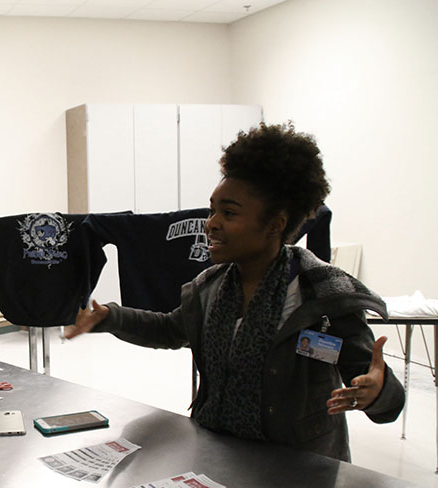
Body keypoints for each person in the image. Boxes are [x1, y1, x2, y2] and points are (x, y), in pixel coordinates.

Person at [66, 122, 404, 462]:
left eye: (228, 213)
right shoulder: (210, 287)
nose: (211, 223)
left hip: (299, 470)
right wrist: (111, 317)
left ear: (276, 224)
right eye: (212, 210)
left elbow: (378, 390)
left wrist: (377, 392)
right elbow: (171, 329)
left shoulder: (324, 297)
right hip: (218, 456)